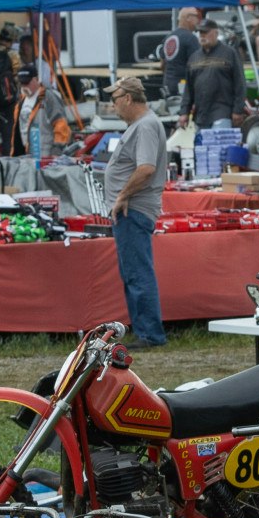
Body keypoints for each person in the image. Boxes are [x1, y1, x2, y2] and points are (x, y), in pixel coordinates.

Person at [103, 76, 169, 346]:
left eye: (114, 100)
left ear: (128, 98)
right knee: (133, 271)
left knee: (138, 272)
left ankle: (150, 334)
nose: (113, 106)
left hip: (135, 208)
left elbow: (146, 168)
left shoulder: (145, 126)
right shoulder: (141, 125)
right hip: (132, 209)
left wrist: (122, 195)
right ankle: (144, 331)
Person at [183, 20, 245, 131]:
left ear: (216, 33)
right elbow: (188, 89)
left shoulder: (229, 53)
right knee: (201, 147)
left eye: (205, 32)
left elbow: (240, 83)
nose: (202, 35)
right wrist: (184, 112)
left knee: (220, 147)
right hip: (201, 116)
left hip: (222, 112)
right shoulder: (193, 57)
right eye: (200, 32)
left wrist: (238, 110)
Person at [160, 6, 203, 100]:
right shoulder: (191, 38)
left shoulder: (168, 37)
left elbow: (163, 65)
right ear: (188, 18)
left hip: (168, 86)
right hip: (184, 88)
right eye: (197, 16)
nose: (199, 20)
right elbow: (197, 66)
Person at [15, 70, 56, 160]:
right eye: (22, 83)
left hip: (45, 153)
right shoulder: (21, 100)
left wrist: (56, 151)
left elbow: (61, 124)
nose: (24, 86)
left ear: (36, 79)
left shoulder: (48, 97)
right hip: (28, 152)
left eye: (27, 82)